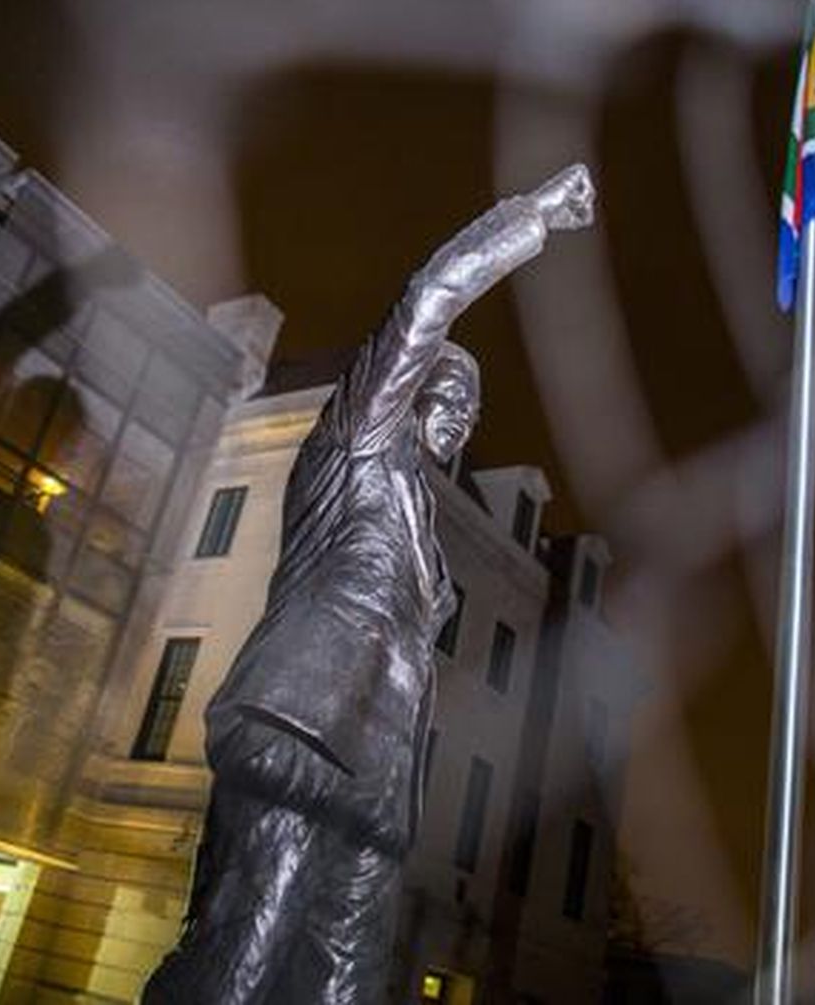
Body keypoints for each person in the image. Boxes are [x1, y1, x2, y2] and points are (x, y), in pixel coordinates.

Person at [145, 164, 594, 1004]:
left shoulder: (426, 519)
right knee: (246, 951)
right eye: (450, 392)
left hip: (378, 783)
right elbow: (429, 301)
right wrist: (532, 217)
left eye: (472, 409)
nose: (462, 415)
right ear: (406, 387)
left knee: (344, 982)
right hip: (299, 731)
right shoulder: (357, 444)